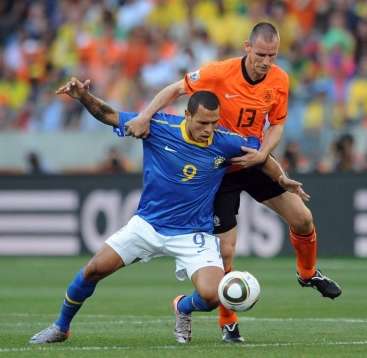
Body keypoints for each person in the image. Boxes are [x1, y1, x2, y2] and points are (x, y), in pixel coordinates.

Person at [29, 78, 306, 345]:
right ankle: (60, 327)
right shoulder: (158, 126)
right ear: (187, 115)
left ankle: (182, 306)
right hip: (148, 225)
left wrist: (281, 179)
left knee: (211, 296)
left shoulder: (226, 143)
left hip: (193, 233)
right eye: (202, 123)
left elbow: (263, 157)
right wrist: (84, 97)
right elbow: (108, 114)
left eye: (213, 123)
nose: (208, 129)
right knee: (93, 270)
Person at [125, 22, 342, 343]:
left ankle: (308, 274)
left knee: (303, 217)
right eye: (261, 54)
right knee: (226, 252)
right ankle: (228, 323)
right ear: (247, 47)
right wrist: (144, 117)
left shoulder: (280, 80)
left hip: (253, 159)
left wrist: (263, 155)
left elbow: (277, 125)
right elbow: (174, 90)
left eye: (273, 55)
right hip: (217, 168)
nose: (266, 61)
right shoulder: (218, 72)